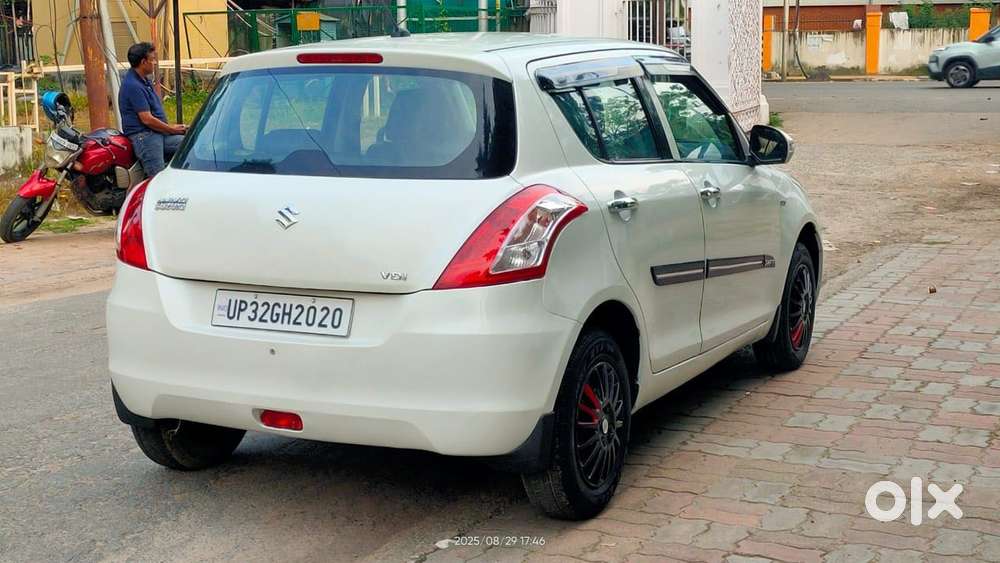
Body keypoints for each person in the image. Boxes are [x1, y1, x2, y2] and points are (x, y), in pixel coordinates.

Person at [119, 42, 187, 176]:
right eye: (152, 60)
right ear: (143, 62)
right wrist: (171, 129)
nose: (155, 63)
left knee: (189, 145)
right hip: (145, 136)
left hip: (157, 133)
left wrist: (171, 129)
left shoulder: (143, 80)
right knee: (158, 177)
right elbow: (147, 119)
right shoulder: (133, 85)